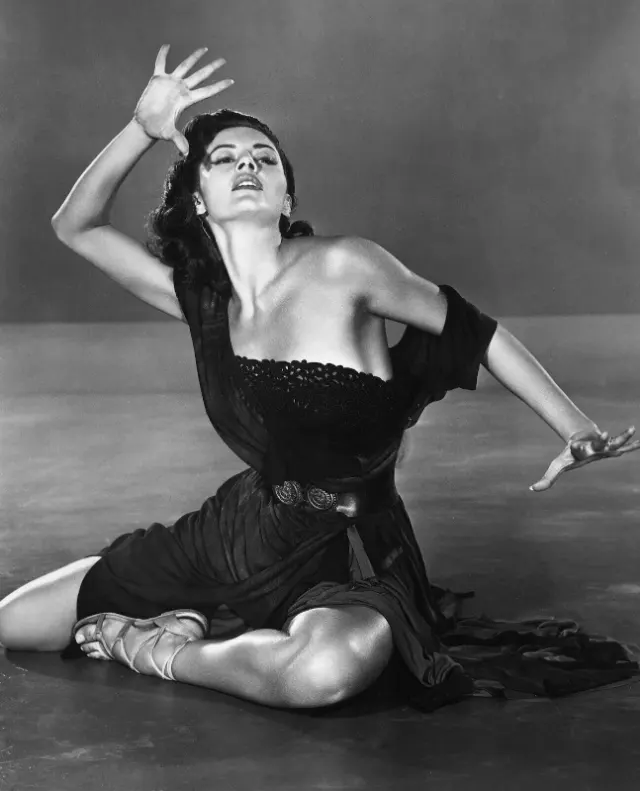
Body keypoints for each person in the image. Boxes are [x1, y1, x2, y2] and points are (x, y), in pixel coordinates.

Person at [1, 45, 638, 712]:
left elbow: (476, 333)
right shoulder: (205, 303)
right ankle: (198, 608)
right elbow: (75, 226)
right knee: (17, 623)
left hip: (348, 547)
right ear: (199, 199)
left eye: (264, 158)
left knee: (326, 672)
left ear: (286, 197)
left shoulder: (345, 267)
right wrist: (141, 128)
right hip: (242, 529)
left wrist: (576, 428)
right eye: (224, 159)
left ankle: (157, 648)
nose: (247, 165)